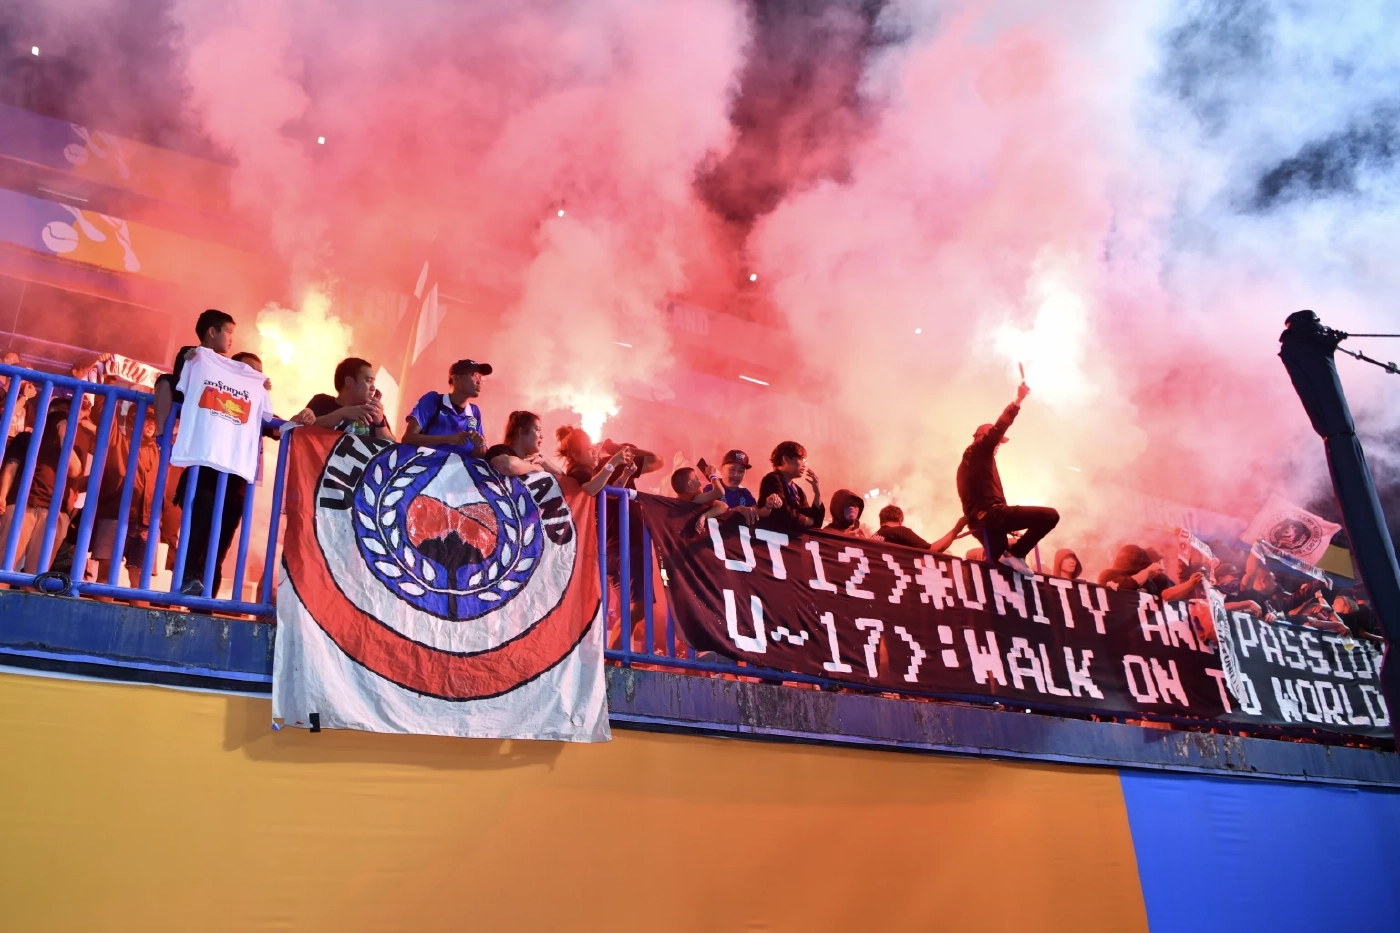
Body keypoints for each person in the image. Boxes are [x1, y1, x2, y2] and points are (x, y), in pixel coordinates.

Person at [956, 382, 1059, 577]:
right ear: (983, 437)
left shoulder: (970, 465)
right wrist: (1018, 400)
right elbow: (999, 427)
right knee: (1050, 516)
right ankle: (1016, 554)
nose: (998, 445)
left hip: (981, 522)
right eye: (997, 441)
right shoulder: (977, 451)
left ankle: (1010, 561)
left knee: (1001, 568)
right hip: (993, 515)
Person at [0, 397, 82, 573]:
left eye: (66, 414)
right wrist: (2, 496)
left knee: (37, 575)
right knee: (5, 566)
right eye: (56, 411)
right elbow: (11, 466)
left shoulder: (74, 449)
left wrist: (64, 438)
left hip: (54, 513)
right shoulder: (26, 438)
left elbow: (74, 471)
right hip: (22, 505)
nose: (59, 417)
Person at [90, 399, 160, 589]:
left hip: (145, 522)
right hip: (116, 516)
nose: (152, 423)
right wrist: (110, 383)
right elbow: (103, 416)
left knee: (140, 585)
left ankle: (139, 620)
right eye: (147, 418)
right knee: (106, 576)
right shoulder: (119, 441)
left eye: (155, 419)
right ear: (132, 420)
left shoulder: (158, 452)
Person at [153, 309, 238, 437]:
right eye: (229, 332)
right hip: (191, 401)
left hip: (214, 408)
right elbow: (180, 383)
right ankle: (161, 434)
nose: (231, 339)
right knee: (165, 380)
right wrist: (189, 362)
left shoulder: (228, 363)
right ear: (212, 332)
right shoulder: (189, 352)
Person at [402, 359, 492, 454]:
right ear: (456, 378)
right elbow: (408, 438)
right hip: (427, 466)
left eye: (481, 377)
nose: (479, 381)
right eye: (475, 375)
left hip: (461, 468)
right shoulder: (433, 400)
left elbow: (480, 456)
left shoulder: (475, 411)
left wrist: (480, 445)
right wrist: (448, 439)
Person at [298, 357, 394, 440]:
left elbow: (394, 453)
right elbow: (295, 429)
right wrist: (341, 414)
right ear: (349, 381)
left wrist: (380, 423)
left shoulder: (375, 415)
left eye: (373, 382)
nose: (373, 387)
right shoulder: (321, 402)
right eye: (368, 381)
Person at [758, 441, 823, 532]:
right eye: (801, 459)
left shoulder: (798, 490)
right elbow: (782, 513)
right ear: (786, 459)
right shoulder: (772, 480)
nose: (804, 465)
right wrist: (807, 521)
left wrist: (817, 494)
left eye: (805, 461)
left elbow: (816, 522)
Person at [1098, 545, 1202, 601]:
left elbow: (1167, 594)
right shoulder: (1108, 575)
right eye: (1156, 562)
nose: (1160, 566)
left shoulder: (1157, 579)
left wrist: (1190, 584)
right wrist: (1147, 571)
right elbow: (1126, 586)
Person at [486, 411, 565, 478]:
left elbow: (566, 481)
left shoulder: (534, 463)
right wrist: (534, 466)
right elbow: (506, 465)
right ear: (522, 433)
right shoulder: (498, 450)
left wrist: (543, 461)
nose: (542, 436)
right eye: (537, 429)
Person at [671, 466, 729, 534]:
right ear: (691, 484)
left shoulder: (676, 502)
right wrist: (712, 475)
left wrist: (704, 516)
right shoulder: (695, 499)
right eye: (696, 479)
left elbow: (723, 506)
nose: (700, 483)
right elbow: (720, 492)